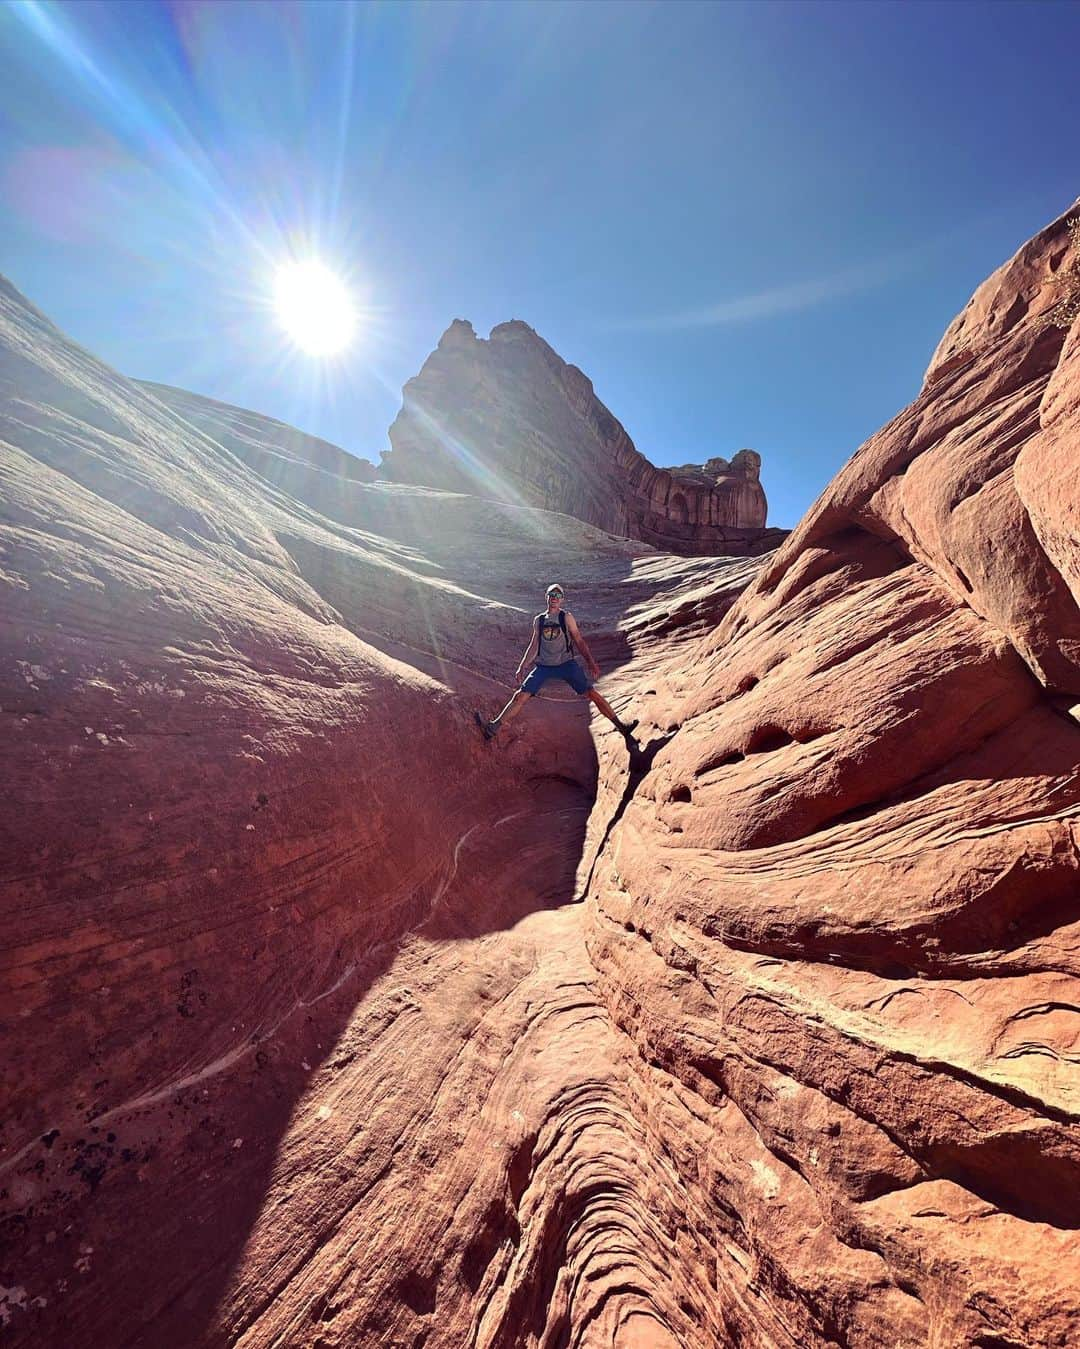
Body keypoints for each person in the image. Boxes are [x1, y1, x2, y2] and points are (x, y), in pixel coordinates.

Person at [477, 583, 638, 742]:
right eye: (552, 595)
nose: (554, 598)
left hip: (566, 664)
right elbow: (534, 645)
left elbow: (579, 641)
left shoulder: (566, 617)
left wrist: (590, 662)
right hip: (544, 667)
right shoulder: (539, 620)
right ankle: (492, 729)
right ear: (546, 597)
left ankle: (621, 727)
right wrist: (522, 666)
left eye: (558, 596)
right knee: (520, 696)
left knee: (592, 693)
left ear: (562, 600)